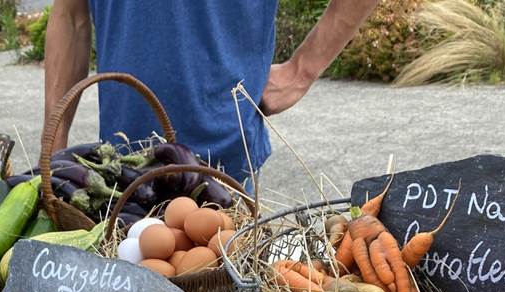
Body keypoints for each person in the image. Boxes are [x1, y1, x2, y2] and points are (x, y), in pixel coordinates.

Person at [44, 0, 381, 183]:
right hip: (119, 168)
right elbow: (70, 16)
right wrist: (53, 148)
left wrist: (301, 71)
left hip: (224, 166)